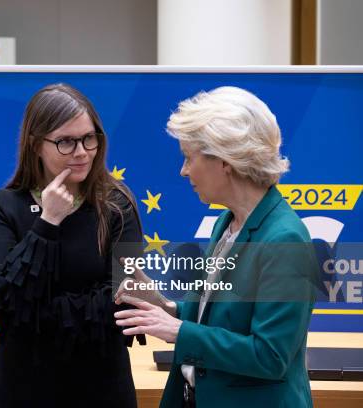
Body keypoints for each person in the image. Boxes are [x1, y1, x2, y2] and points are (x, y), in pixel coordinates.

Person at [115, 86, 317, 408]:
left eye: (188, 157)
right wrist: (165, 307)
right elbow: (219, 321)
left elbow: (270, 356)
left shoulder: (285, 240)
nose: (183, 171)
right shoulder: (227, 222)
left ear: (225, 160)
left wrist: (178, 332)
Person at [0, 83, 143, 407]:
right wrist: (48, 221)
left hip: (101, 383)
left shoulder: (116, 204)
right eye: (66, 142)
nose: (82, 151)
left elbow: (123, 300)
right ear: (35, 145)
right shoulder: (4, 206)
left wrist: (38, 312)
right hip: (24, 385)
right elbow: (9, 302)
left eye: (89, 138)